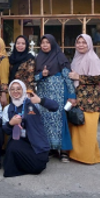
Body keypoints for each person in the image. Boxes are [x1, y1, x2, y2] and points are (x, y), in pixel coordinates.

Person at [2, 80, 59, 177]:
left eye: (18, 89)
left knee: (38, 168)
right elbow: (6, 130)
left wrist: (41, 100)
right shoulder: (7, 108)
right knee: (12, 147)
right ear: (9, 92)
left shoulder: (33, 102)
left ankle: (22, 164)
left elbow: (55, 107)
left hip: (36, 142)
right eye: (12, 89)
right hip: (20, 142)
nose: (15, 91)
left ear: (23, 90)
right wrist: (11, 123)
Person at [34, 34, 76, 162]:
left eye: (47, 42)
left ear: (52, 44)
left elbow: (68, 78)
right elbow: (32, 79)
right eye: (42, 43)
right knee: (45, 122)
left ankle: (63, 151)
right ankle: (50, 148)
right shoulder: (38, 59)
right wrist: (42, 74)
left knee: (60, 122)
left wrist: (72, 95)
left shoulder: (60, 57)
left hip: (59, 95)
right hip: (43, 96)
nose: (45, 45)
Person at [67, 34, 100, 165]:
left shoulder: (93, 59)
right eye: (78, 42)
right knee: (79, 129)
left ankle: (88, 157)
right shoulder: (77, 58)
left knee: (88, 130)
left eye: (84, 42)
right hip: (79, 98)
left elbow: (99, 78)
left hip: (91, 100)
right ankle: (78, 155)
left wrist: (79, 77)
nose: (81, 45)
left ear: (89, 44)